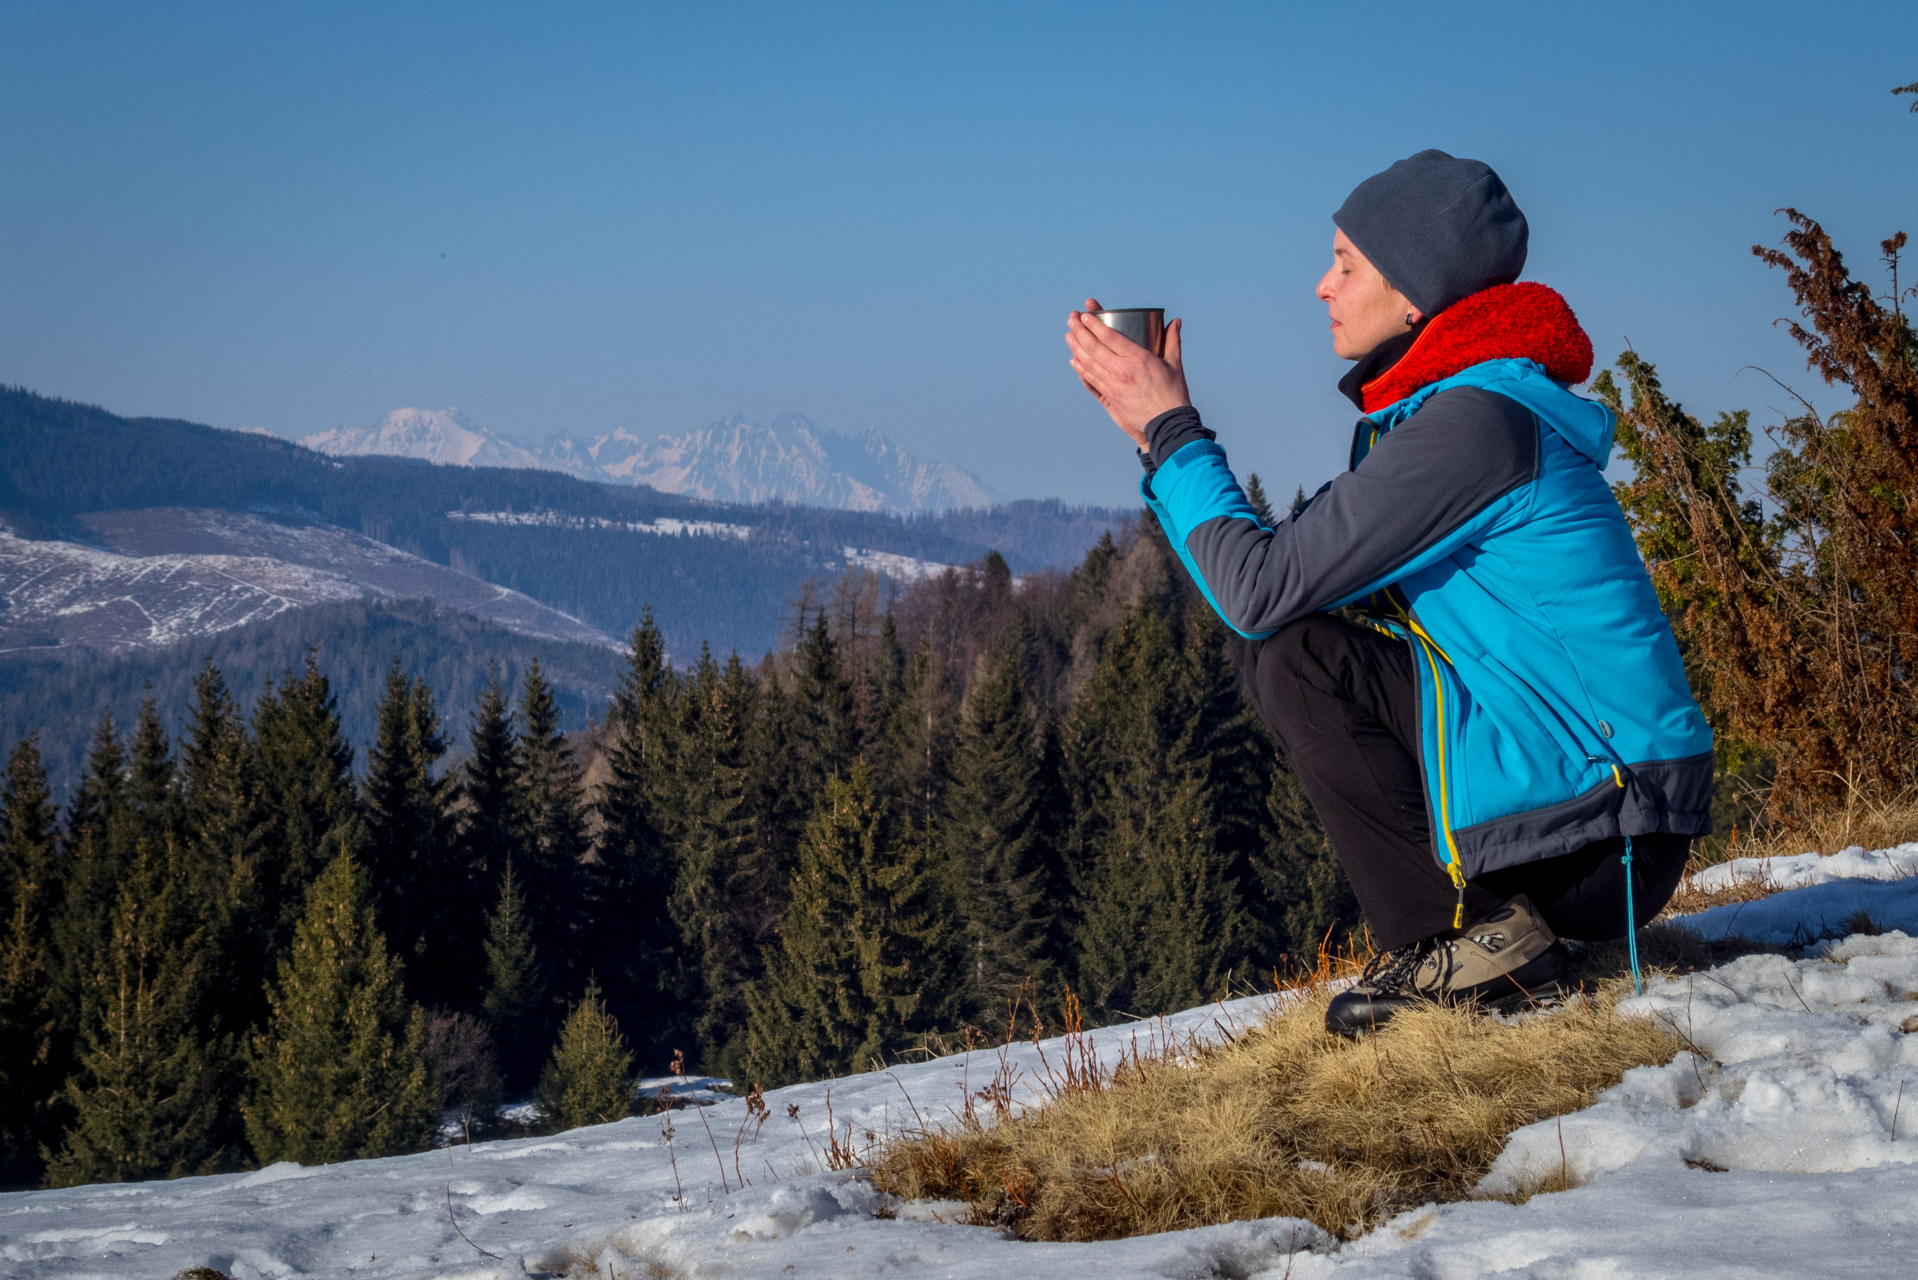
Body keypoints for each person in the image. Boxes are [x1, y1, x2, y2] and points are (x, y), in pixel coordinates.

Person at [1064, 149, 1713, 1035]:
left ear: (1414, 292)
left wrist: (1171, 429)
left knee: (1294, 654)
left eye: (1346, 264)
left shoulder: (1475, 425)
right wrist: (1158, 435)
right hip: (1588, 814)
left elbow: (1256, 591)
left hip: (1606, 841)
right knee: (1304, 644)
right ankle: (1468, 935)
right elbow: (1285, 577)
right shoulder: (1457, 414)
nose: (1322, 287)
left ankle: (1464, 943)